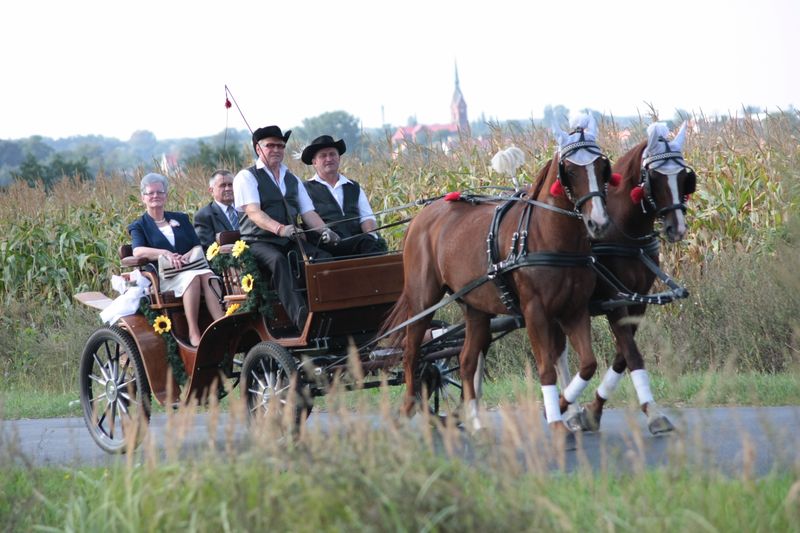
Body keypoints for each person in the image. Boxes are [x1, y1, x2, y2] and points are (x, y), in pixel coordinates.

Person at [233, 125, 339, 331]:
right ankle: (303, 321)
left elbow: (308, 214)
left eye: (280, 146)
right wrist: (281, 229)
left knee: (323, 259)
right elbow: (254, 212)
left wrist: (326, 230)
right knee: (279, 261)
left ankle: (330, 314)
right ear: (258, 149)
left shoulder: (292, 178)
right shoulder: (246, 177)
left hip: (289, 240)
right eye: (270, 145)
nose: (276, 149)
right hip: (257, 242)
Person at [129, 172, 224, 347]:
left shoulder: (180, 218)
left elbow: (197, 245)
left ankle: (222, 324)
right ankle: (193, 331)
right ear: (143, 197)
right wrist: (164, 253)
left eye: (160, 192)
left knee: (208, 274)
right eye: (150, 193)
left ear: (166, 195)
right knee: (193, 278)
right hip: (165, 276)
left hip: (190, 267)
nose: (155, 196)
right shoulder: (139, 225)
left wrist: (187, 256)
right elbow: (138, 251)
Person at [301, 135, 387, 256]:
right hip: (326, 244)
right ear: (314, 162)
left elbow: (366, 217)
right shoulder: (305, 188)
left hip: (356, 241)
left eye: (332, 154)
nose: (329, 158)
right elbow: (308, 215)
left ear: (339, 158)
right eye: (323, 156)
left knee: (372, 242)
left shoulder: (353, 186)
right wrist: (326, 232)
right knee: (366, 242)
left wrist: (371, 235)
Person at [194, 169, 238, 249]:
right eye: (223, 185)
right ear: (211, 190)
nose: (228, 188)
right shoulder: (204, 216)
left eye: (230, 185)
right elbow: (209, 248)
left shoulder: (245, 209)